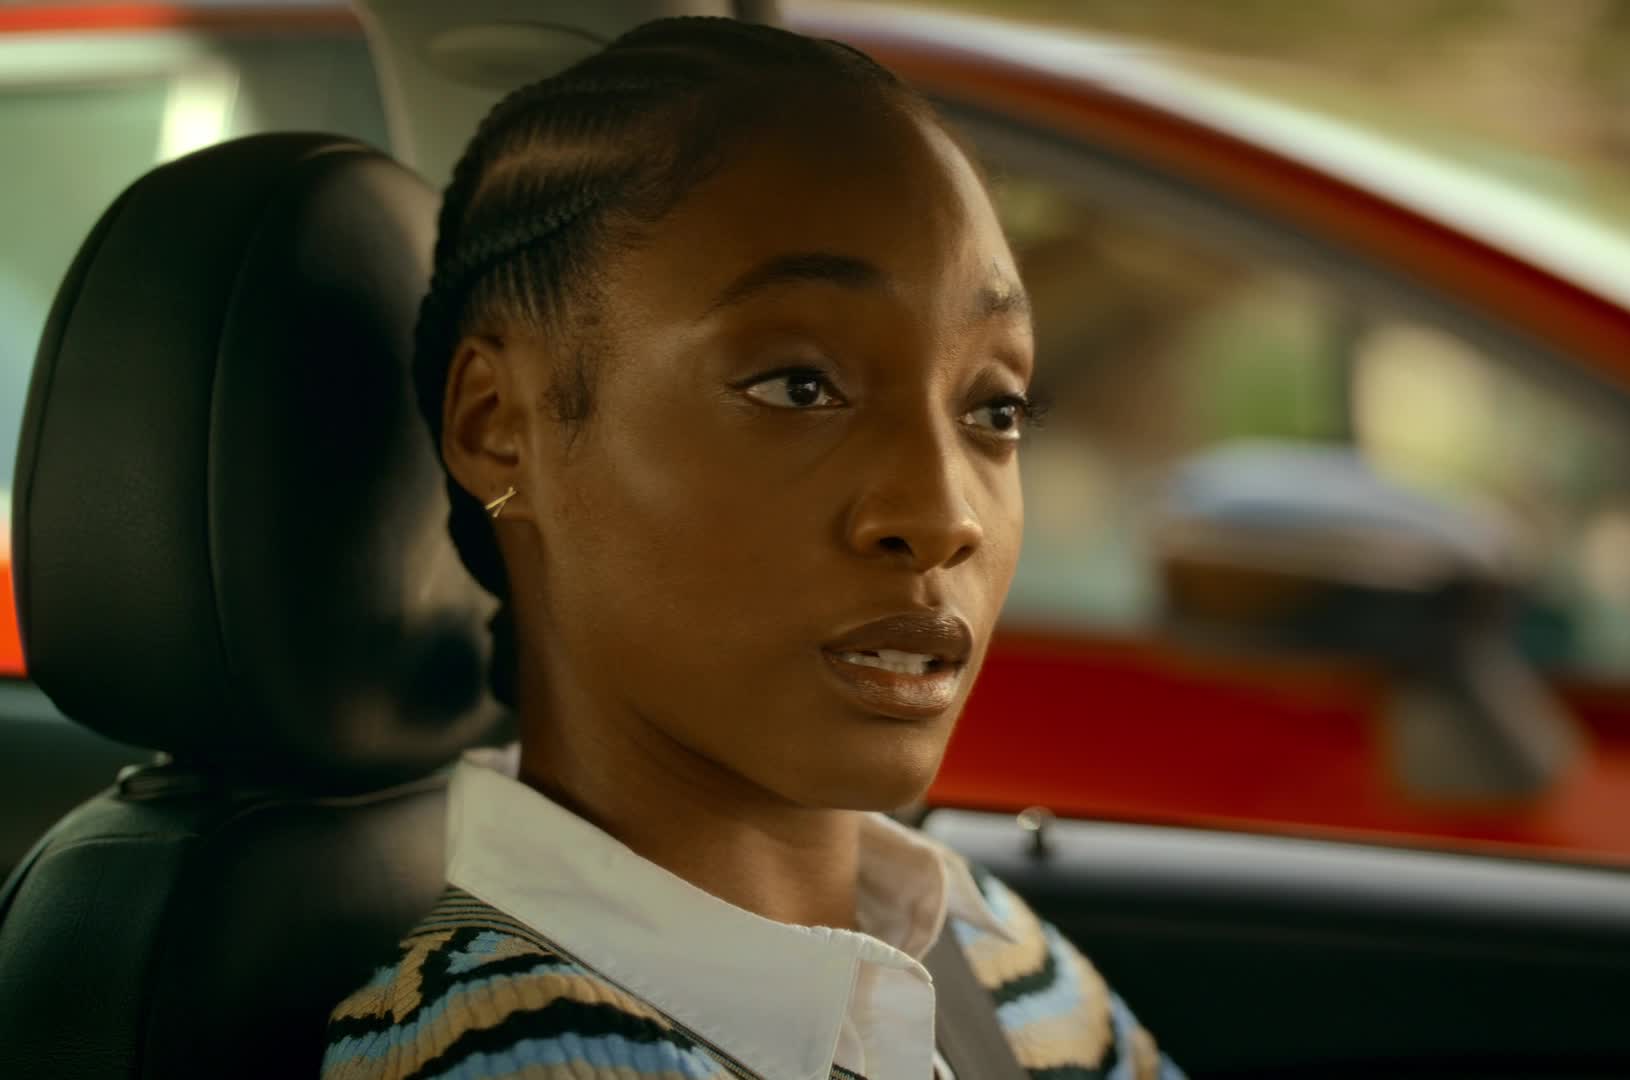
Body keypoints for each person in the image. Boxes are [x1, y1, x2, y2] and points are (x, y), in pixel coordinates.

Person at [321, 16, 1180, 1080]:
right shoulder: (517, 1056)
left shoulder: (983, 942)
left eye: (994, 409)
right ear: (503, 426)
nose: (944, 513)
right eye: (798, 387)